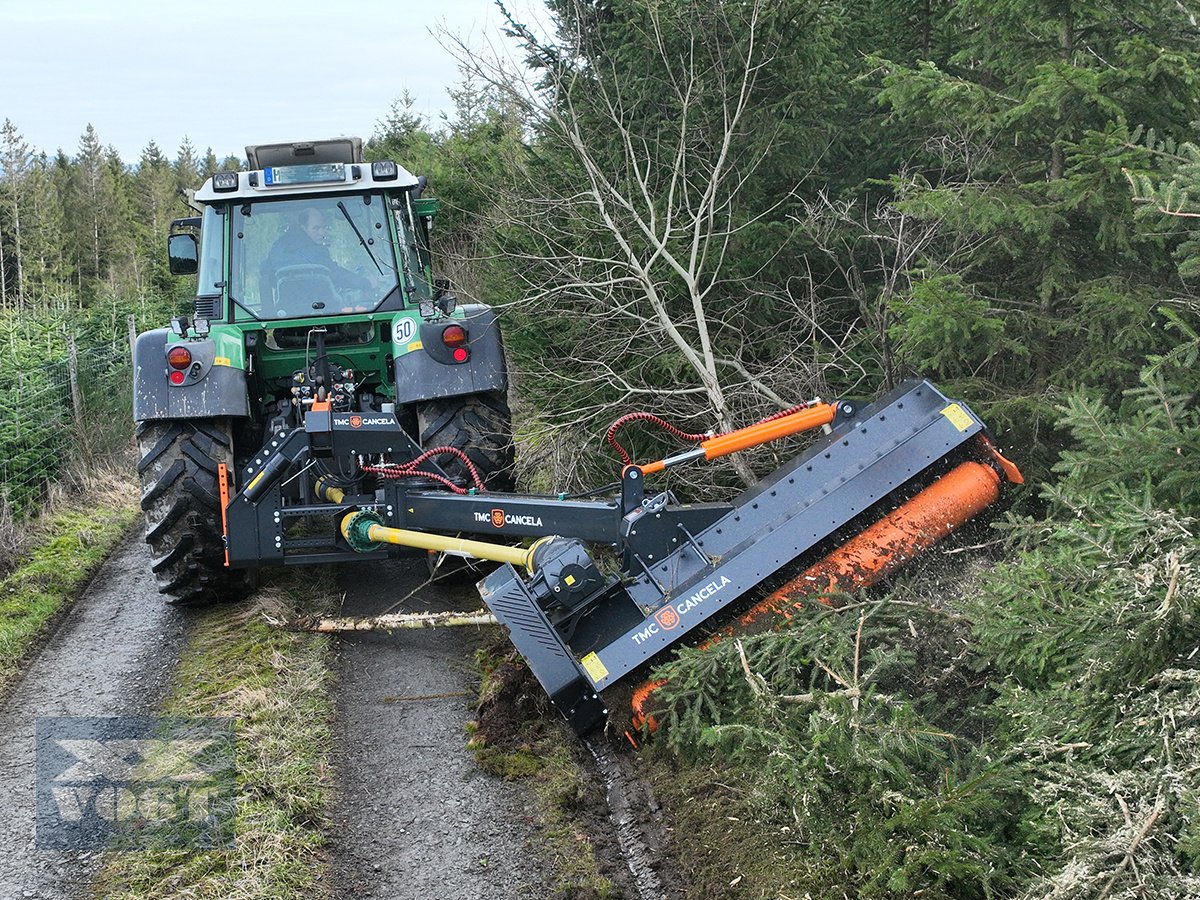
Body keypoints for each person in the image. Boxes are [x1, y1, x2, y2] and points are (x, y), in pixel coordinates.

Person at [260, 207, 370, 311]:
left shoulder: (278, 247)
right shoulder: (316, 251)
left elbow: (266, 273)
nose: (322, 233)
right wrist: (365, 282)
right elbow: (336, 274)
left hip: (285, 312)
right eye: (316, 228)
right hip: (320, 309)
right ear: (303, 228)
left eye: (324, 227)